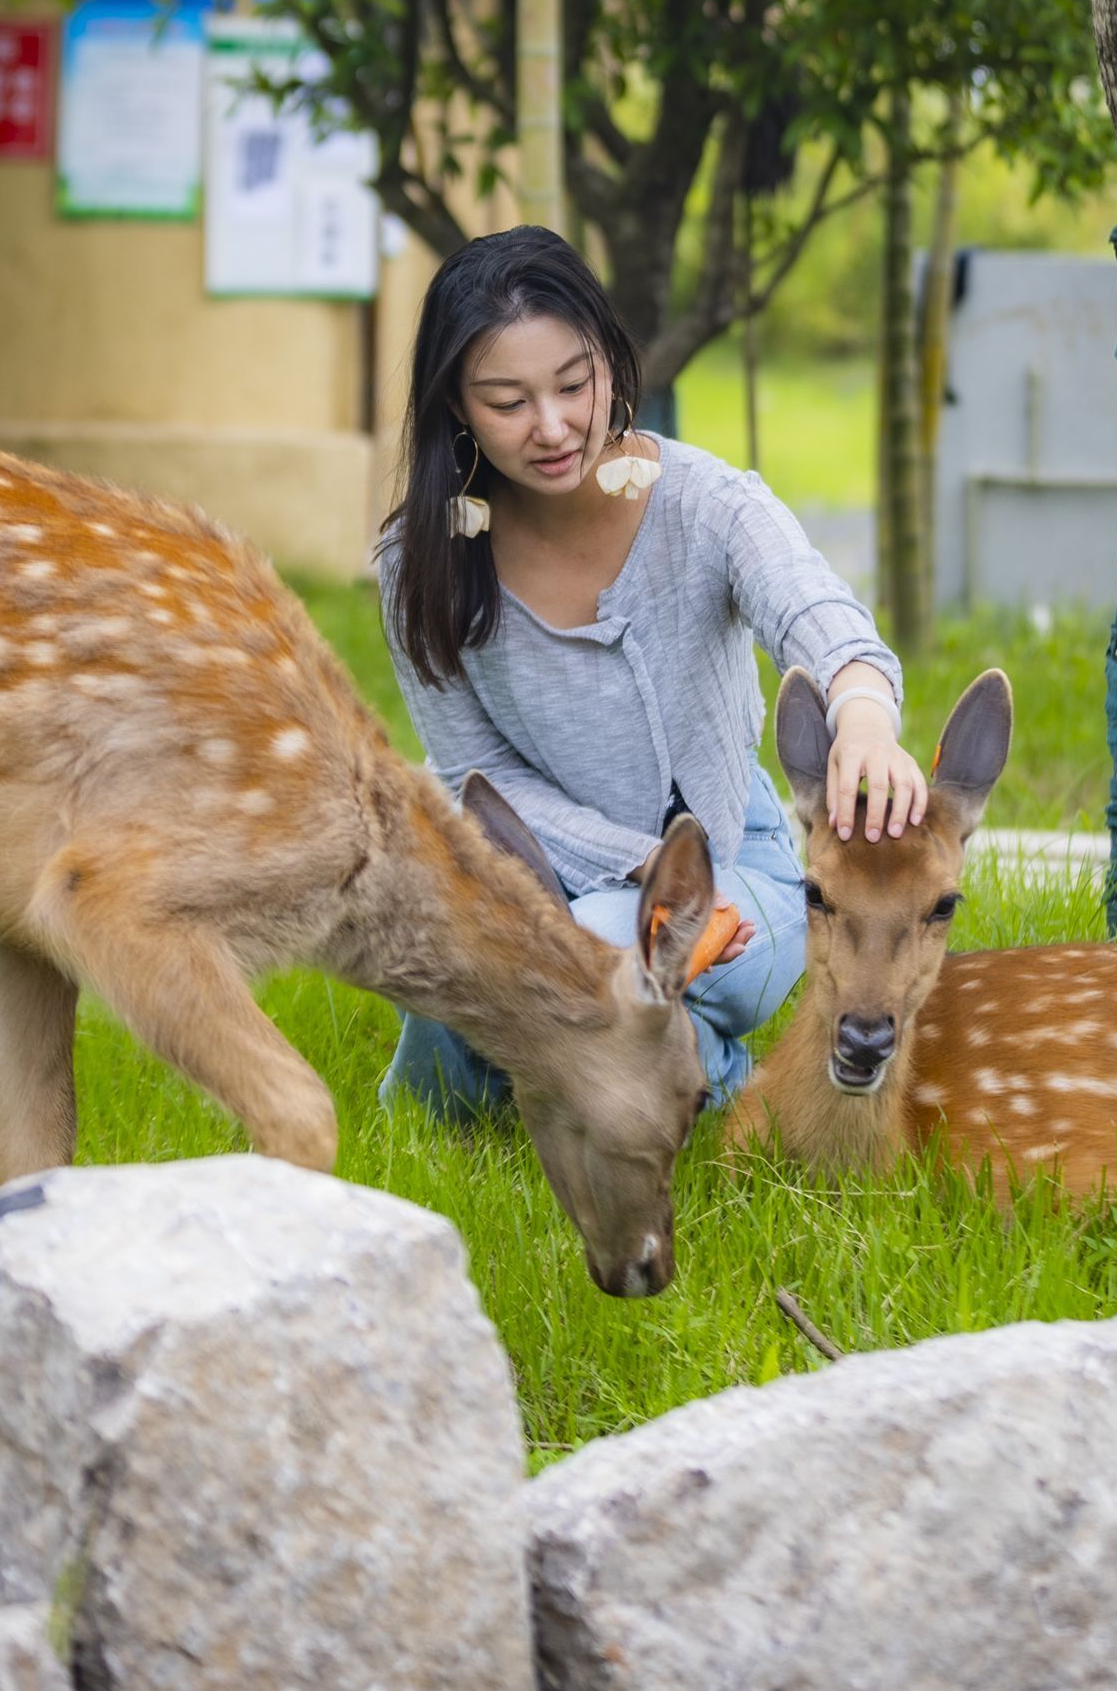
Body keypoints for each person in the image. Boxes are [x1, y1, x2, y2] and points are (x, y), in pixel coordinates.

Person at [377, 224, 926, 1117]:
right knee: (450, 943)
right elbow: (477, 773)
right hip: (540, 864)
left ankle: (621, 1055)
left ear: (610, 359)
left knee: (599, 953)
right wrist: (637, 862)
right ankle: (663, 1067)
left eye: (574, 385)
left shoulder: (704, 504)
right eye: (508, 401)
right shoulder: (421, 560)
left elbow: (813, 610)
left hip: (733, 866)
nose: (553, 427)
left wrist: (862, 711)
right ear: (456, 407)